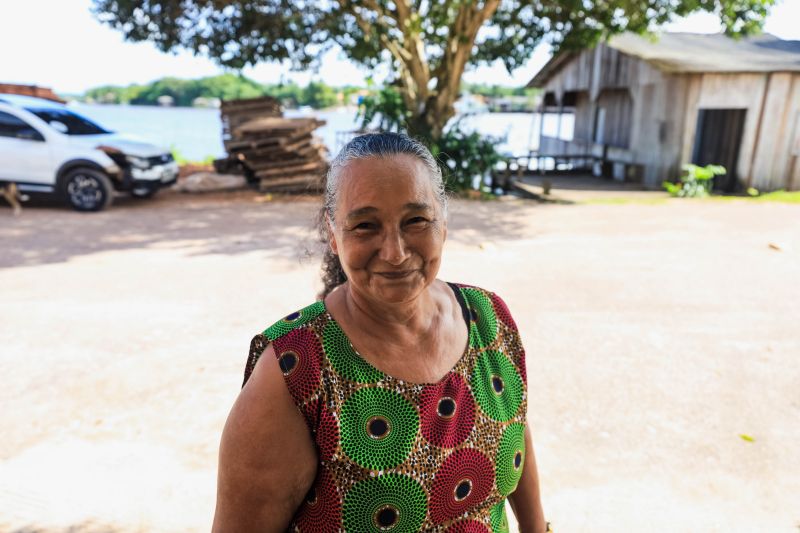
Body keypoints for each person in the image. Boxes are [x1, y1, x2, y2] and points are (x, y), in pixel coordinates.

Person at [213, 132, 548, 532]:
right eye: (365, 225)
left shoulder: (489, 320)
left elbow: (513, 430)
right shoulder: (294, 371)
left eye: (416, 220)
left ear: (443, 222)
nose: (395, 252)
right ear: (333, 234)